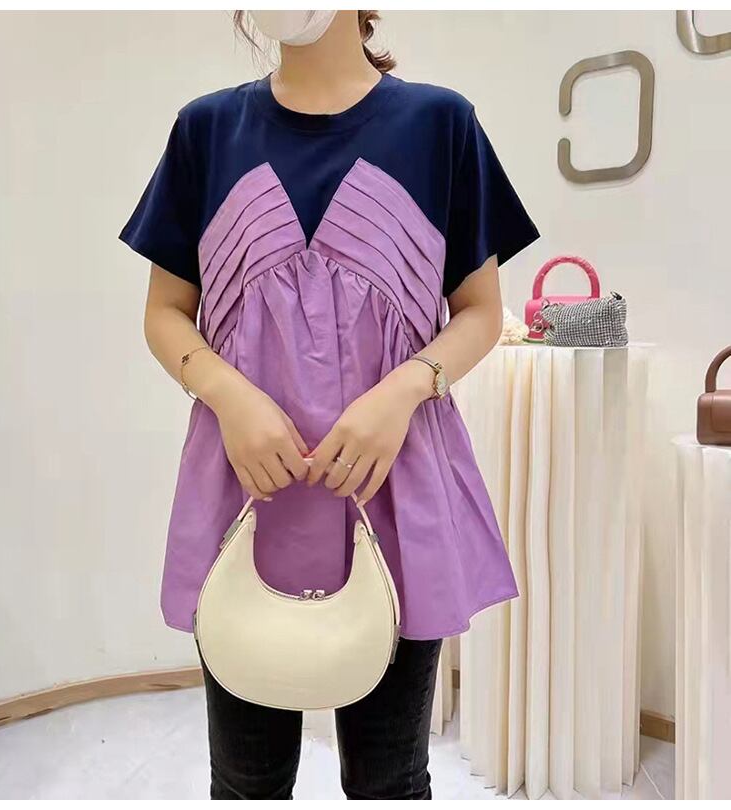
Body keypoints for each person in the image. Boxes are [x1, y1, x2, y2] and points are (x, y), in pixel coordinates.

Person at [118, 10, 539, 800]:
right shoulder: (206, 131)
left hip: (395, 492)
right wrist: (227, 394)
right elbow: (165, 312)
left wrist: (403, 391)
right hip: (247, 493)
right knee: (245, 782)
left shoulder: (439, 124)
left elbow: (481, 312)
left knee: (389, 780)